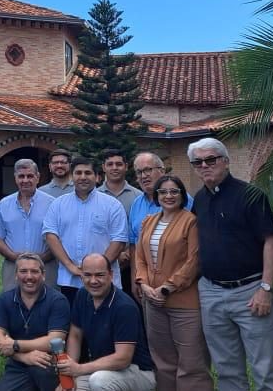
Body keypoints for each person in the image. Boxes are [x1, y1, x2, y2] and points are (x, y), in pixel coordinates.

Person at [190, 138, 273, 391]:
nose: (204, 166)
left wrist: (266, 288)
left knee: (264, 367)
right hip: (211, 292)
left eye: (211, 159)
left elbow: (272, 242)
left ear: (226, 161)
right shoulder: (199, 200)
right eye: (198, 162)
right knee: (226, 368)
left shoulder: (250, 195)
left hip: (250, 291)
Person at [133, 175, 211, 391]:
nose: (168, 196)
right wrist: (144, 284)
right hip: (153, 302)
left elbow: (194, 260)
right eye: (163, 192)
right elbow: (140, 257)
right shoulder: (148, 221)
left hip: (184, 301)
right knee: (163, 361)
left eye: (174, 191)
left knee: (191, 362)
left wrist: (167, 287)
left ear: (183, 195)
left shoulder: (191, 221)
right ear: (156, 196)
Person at [58, 254, 155, 391]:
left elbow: (123, 358)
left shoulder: (124, 306)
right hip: (101, 369)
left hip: (136, 372)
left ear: (111, 275)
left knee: (99, 381)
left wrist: (79, 369)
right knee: (68, 389)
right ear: (81, 276)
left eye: (100, 275)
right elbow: (75, 335)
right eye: (88, 275)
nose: (93, 281)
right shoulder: (82, 295)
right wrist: (70, 372)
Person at [43, 157, 129, 304]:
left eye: (88, 173)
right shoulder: (58, 205)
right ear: (72, 176)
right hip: (70, 280)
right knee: (74, 324)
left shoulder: (112, 205)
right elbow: (51, 235)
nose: (83, 177)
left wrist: (97, 271)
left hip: (104, 282)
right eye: (78, 173)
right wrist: (70, 266)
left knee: (104, 325)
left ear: (97, 177)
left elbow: (119, 240)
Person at [0, 253, 70, 391]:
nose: (29, 277)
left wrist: (14, 345)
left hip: (49, 362)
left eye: (34, 271)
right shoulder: (5, 299)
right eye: (23, 271)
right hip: (18, 364)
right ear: (16, 275)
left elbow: (54, 341)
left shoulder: (58, 300)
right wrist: (24, 357)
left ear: (43, 275)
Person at [126, 153, 190, 299]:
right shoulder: (136, 204)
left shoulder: (182, 201)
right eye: (139, 172)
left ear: (162, 171)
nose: (144, 176)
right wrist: (135, 279)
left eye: (148, 170)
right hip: (145, 284)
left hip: (176, 284)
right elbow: (134, 246)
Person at [0, 158, 57, 292]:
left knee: (46, 306)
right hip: (13, 267)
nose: (25, 180)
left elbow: (60, 236)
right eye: (21, 176)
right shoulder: (4, 204)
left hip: (45, 267)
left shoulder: (52, 204)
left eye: (30, 176)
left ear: (38, 177)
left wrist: (41, 258)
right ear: (15, 178)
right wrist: (12, 256)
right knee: (12, 304)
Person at [97, 151, 142, 295]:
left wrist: (128, 253)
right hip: (101, 265)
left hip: (132, 264)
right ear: (103, 167)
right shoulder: (94, 197)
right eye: (110, 164)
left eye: (119, 164)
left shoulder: (138, 197)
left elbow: (141, 229)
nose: (114, 168)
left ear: (126, 167)